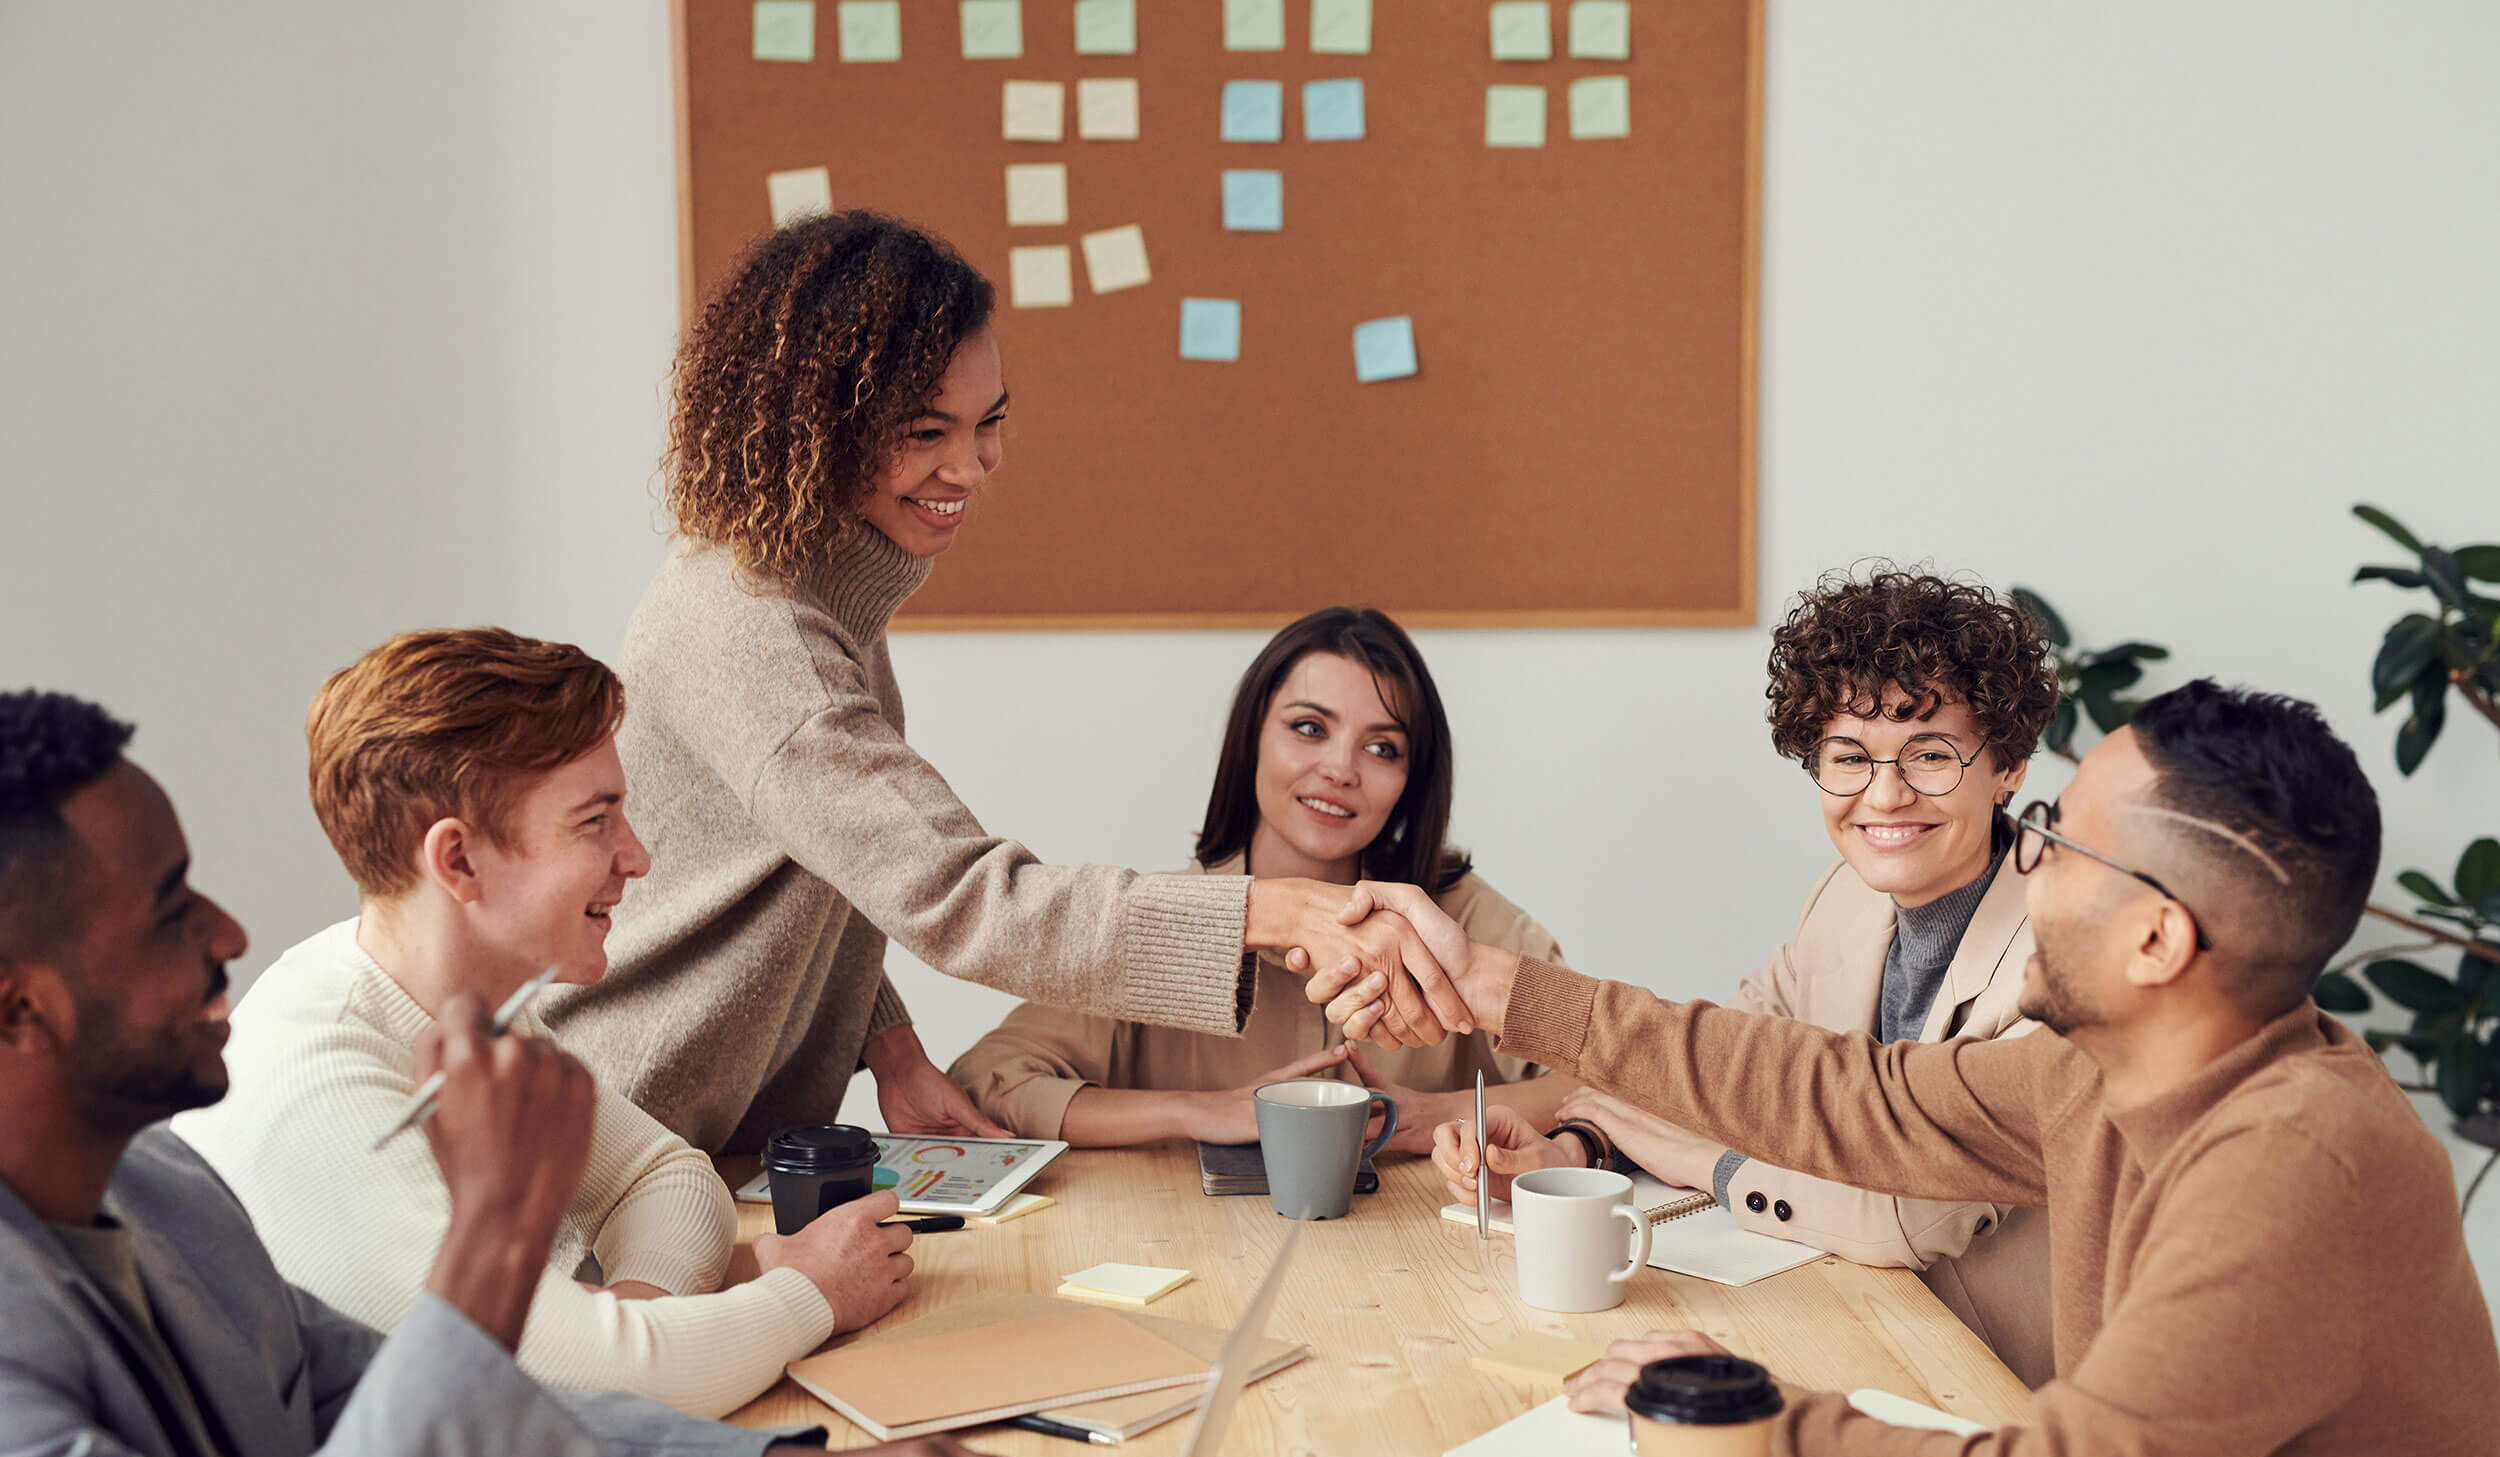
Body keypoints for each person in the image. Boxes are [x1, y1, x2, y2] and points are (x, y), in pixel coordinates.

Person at [1329, 681, 2500, 1457]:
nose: (2020, 858)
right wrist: (1505, 991)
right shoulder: (2100, 1070)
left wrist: (1744, 1412)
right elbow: (1851, 1094)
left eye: (2052, 835)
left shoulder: (2298, 1163)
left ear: (2156, 940)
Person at [0, 691, 1060, 1457]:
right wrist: (498, 1234)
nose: (229, 933)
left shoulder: (161, 1186)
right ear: (19, 1009)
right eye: (169, 907)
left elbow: (445, 1410)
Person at [542, 210, 1470, 1154]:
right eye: (924, 431)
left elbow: (826, 864)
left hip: (709, 1144)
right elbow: (965, 896)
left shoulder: (815, 588)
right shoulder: (762, 631)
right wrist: (1265, 911)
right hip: (620, 1141)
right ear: (817, 428)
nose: (971, 465)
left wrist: (889, 1047)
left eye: (990, 422)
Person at [174, 630, 909, 1417]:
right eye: (595, 822)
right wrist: (809, 1293)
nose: (637, 857)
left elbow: (668, 1178)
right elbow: (587, 1397)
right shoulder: (324, 1090)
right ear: (457, 862)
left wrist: (632, 1327)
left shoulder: (461, 1003)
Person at [1434, 569, 2060, 1386]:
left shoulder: (2058, 955)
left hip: (1998, 1383)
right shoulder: (1844, 898)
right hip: (1850, 1325)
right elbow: (1719, 1070)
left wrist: (1712, 1165)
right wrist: (1580, 1145)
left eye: (1930, 754)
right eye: (1849, 757)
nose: (1885, 793)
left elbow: (1907, 1216)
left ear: (2007, 763)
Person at [946, 608, 1577, 1151]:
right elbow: (985, 1082)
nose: (1340, 768)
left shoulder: (1466, 922)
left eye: (1382, 748)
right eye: (1309, 729)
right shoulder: (1163, 923)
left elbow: (1612, 1081)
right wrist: (1202, 1110)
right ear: (1252, 739)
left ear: (1412, 782)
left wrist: (1435, 1116)